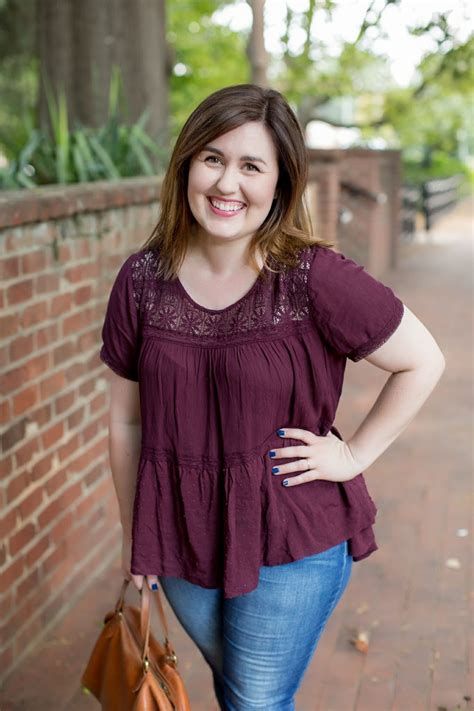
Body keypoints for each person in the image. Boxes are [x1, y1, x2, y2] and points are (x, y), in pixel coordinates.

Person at [99, 83, 445, 710]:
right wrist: (136, 539)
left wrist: (352, 456)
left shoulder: (313, 278)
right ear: (185, 165)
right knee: (241, 691)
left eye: (251, 166)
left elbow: (422, 360)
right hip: (181, 531)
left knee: (254, 700)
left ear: (280, 184)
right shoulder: (141, 281)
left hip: (291, 536)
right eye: (213, 158)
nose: (227, 183)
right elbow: (126, 424)